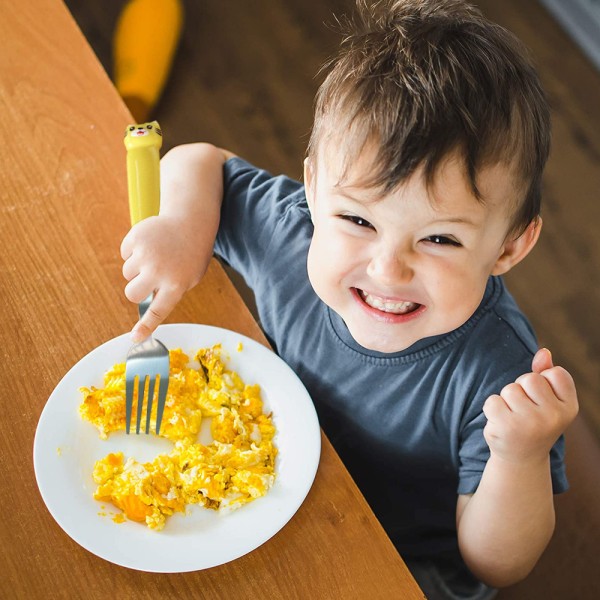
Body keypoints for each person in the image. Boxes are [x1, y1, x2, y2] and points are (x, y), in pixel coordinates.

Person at [120, 1, 579, 598]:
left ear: (508, 249)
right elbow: (199, 160)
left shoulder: (500, 377)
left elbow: (497, 564)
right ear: (312, 189)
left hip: (402, 556)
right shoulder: (293, 233)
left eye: (439, 238)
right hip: (272, 483)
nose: (387, 269)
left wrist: (520, 455)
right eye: (358, 221)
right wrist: (183, 226)